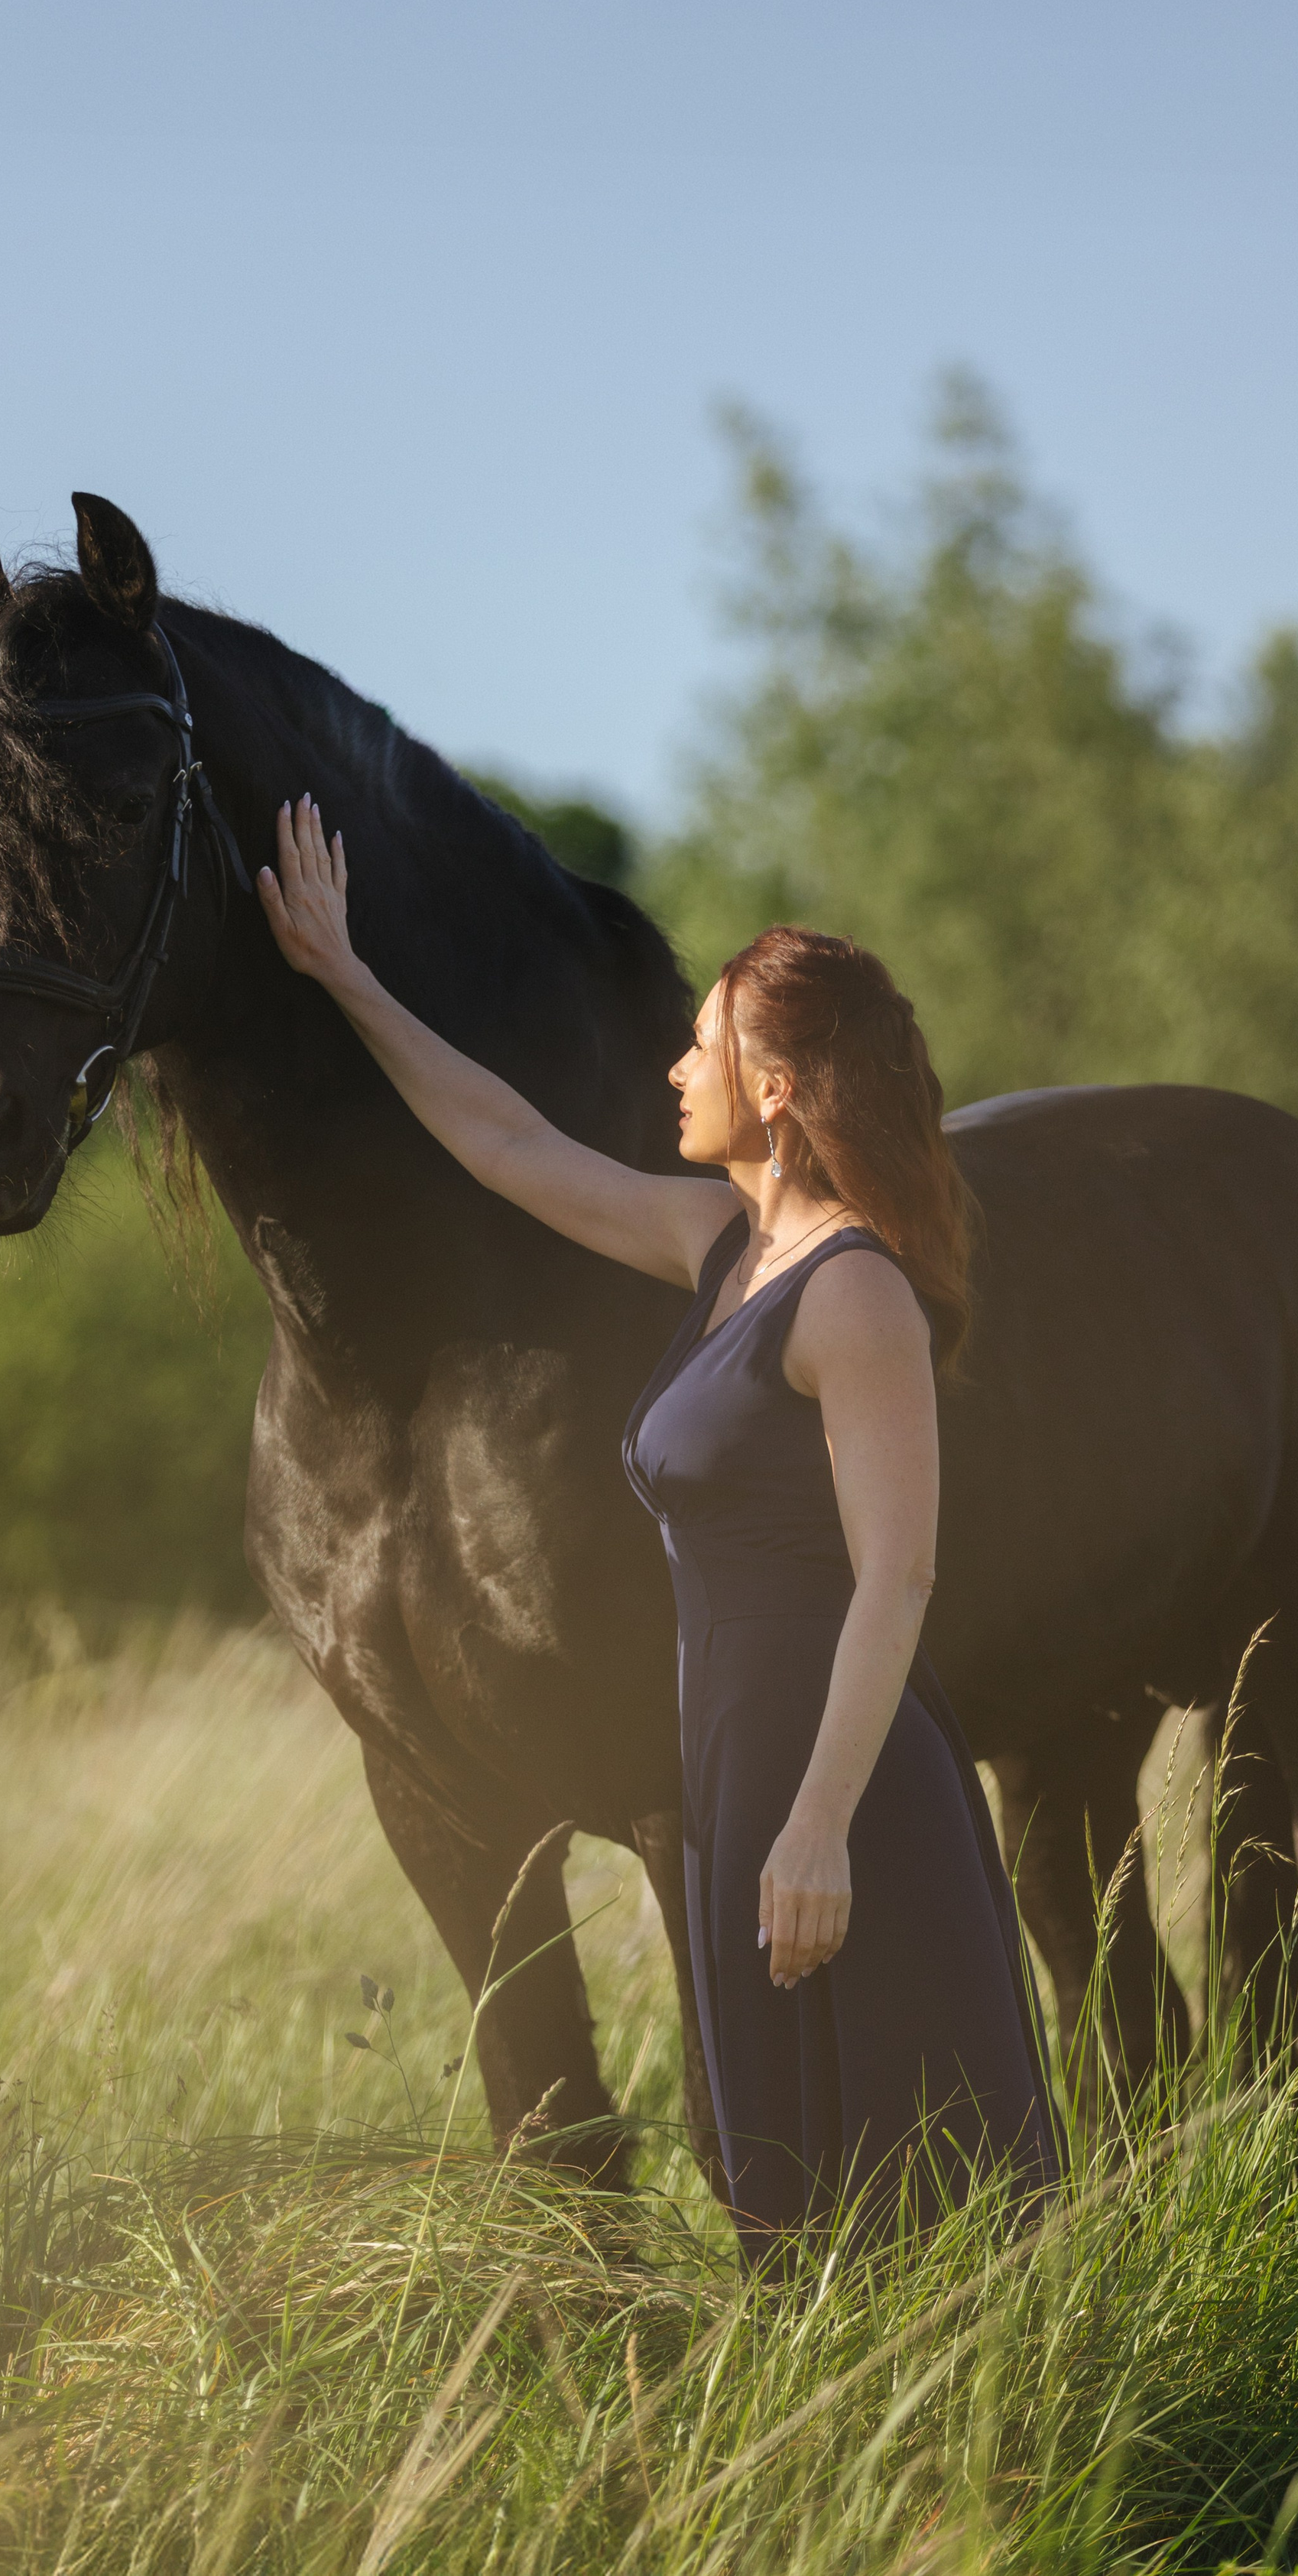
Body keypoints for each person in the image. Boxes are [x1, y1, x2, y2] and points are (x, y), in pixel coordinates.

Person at [259, 797, 1062, 2263]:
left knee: (918, 2204)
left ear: (776, 1083)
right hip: (732, 1777)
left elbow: (900, 1576)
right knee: (784, 2201)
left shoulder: (855, 1292)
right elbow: (503, 1142)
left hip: (847, 1786)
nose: (674, 1065)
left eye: (702, 1044)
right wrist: (345, 974)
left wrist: (819, 1824)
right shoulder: (719, 1246)